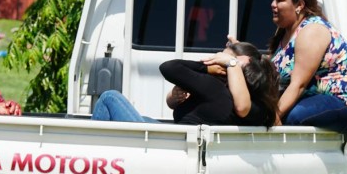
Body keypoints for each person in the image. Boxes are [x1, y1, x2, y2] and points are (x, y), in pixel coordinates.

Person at [92, 42, 279, 127]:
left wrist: (209, 68)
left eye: (221, 57)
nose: (216, 59)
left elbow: (169, 67)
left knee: (109, 97)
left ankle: (93, 165)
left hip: (170, 147)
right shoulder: (258, 109)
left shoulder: (216, 91)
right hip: (176, 139)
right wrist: (174, 98)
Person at [268, 0, 347, 134]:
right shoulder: (285, 32)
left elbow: (299, 85)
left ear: (299, 5)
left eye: (279, 0)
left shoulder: (312, 30)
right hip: (312, 98)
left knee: (291, 116)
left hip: (343, 102)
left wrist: (274, 116)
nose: (273, 5)